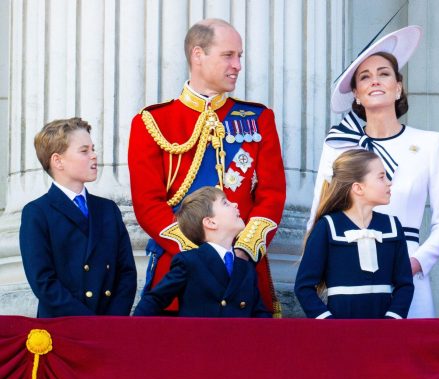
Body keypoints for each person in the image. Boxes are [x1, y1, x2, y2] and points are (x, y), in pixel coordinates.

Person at [128, 18, 286, 316]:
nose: (238, 64)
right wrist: (200, 257)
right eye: (228, 55)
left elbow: (272, 196)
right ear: (197, 55)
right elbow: (148, 204)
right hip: (179, 272)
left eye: (240, 56)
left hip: (243, 271)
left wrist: (242, 251)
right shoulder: (152, 122)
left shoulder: (258, 118)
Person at [309, 26, 439, 319]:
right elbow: (319, 215)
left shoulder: (429, 143)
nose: (375, 80)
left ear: (398, 87)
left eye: (384, 73)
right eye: (365, 77)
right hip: (348, 273)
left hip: (407, 273)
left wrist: (414, 263)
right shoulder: (338, 145)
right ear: (357, 95)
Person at [20, 117, 137, 317]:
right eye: (84, 151)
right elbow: (43, 281)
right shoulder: (37, 212)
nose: (94, 156)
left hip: (109, 326)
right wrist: (86, 322)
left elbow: (126, 272)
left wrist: (112, 322)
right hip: (63, 327)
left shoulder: (108, 209)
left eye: (93, 149)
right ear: (58, 161)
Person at [296, 149, 414, 319]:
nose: (389, 183)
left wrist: (392, 320)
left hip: (385, 333)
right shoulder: (327, 227)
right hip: (339, 333)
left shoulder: (392, 226)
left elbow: (405, 284)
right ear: (358, 188)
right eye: (381, 177)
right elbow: (304, 286)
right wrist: (328, 323)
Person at [134, 187, 270, 317]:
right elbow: (154, 300)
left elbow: (260, 314)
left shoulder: (245, 267)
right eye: (225, 203)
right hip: (199, 339)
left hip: (238, 340)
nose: (235, 204)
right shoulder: (189, 261)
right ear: (210, 222)